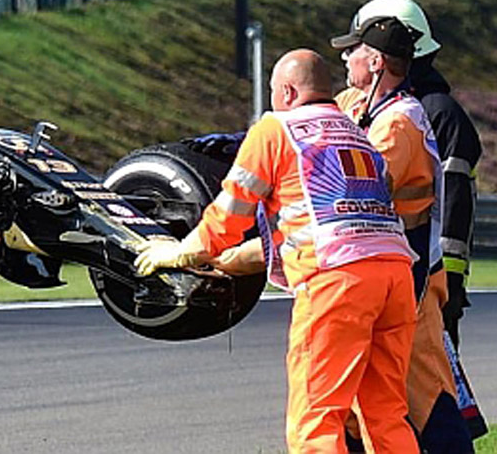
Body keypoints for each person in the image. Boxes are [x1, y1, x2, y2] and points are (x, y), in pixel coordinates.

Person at [135, 49, 418, 454]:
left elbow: (229, 212)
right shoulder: (356, 131)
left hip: (336, 279)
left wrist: (182, 252)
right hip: (395, 273)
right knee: (386, 414)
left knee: (316, 419)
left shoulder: (277, 129)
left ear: (286, 91)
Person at [331, 15, 478, 453]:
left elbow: (355, 192)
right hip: (385, 278)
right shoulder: (357, 105)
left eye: (353, 49)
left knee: (428, 400)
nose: (344, 55)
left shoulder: (398, 123)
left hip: (409, 283)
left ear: (375, 62)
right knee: (361, 399)